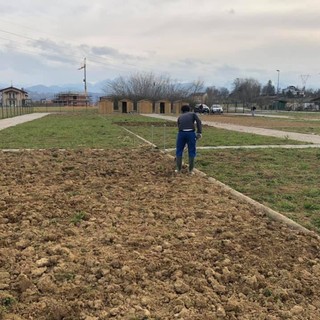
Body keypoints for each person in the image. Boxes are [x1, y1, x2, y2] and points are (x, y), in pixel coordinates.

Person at [175, 105, 202, 174]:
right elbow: (198, 122)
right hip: (191, 134)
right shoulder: (193, 114)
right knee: (192, 151)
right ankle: (190, 171)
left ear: (182, 111)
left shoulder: (180, 117)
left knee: (179, 150)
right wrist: (199, 132)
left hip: (181, 133)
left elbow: (179, 126)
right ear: (189, 110)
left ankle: (178, 170)